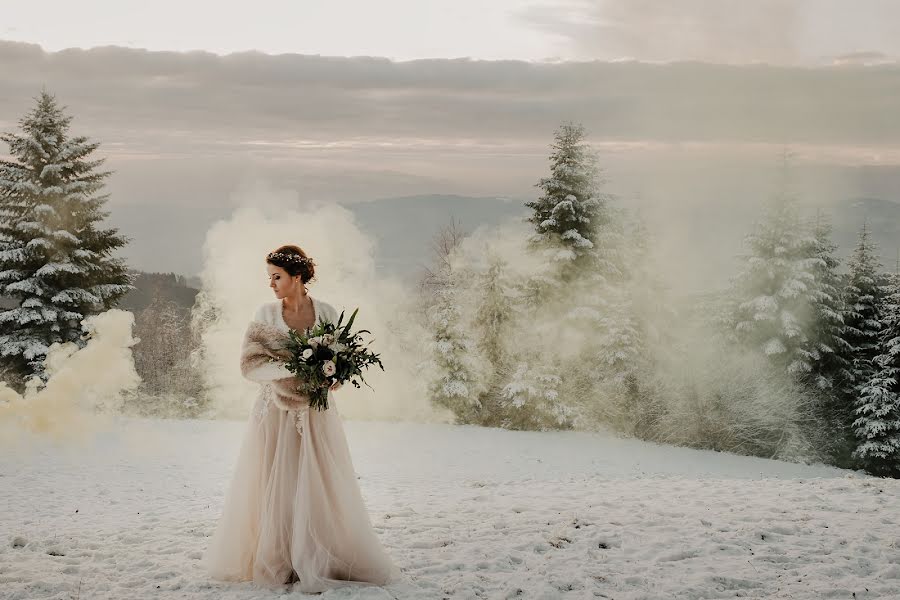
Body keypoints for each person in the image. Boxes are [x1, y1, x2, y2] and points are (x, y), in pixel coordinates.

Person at [203, 244, 399, 593]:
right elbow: (250, 366)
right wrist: (294, 372)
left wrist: (331, 377)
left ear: (297, 277)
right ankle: (280, 555)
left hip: (316, 412)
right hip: (274, 412)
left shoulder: (325, 311)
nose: (271, 284)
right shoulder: (265, 314)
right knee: (275, 478)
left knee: (317, 477)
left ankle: (318, 552)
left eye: (276, 277)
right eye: (269, 277)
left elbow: (338, 360)